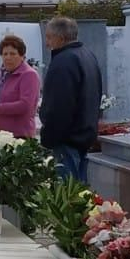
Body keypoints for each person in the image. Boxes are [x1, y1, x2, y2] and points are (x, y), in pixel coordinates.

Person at [39, 15, 103, 182]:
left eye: (49, 37)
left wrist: (48, 138)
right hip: (84, 136)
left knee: (66, 200)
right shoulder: (88, 55)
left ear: (60, 38)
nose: (47, 43)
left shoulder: (63, 62)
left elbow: (59, 106)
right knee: (80, 195)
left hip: (67, 141)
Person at [0, 34, 41, 139]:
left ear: (22, 56)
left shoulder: (29, 75)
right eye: (4, 54)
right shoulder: (5, 74)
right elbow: (1, 100)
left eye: (13, 54)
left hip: (18, 136)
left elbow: (25, 105)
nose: (8, 57)